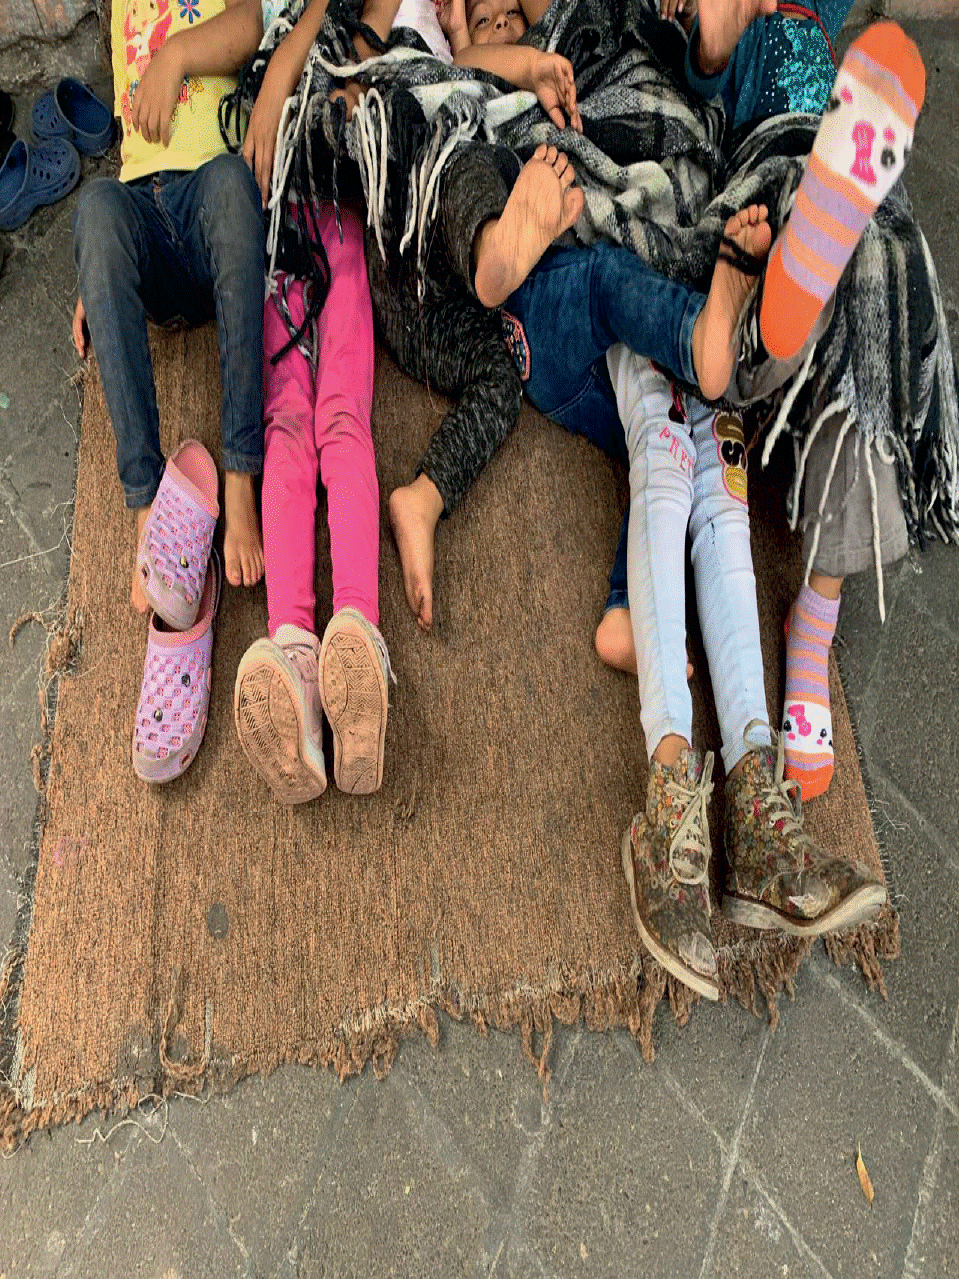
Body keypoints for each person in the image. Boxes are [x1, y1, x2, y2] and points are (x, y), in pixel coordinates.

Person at [231, 0, 401, 803]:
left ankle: (354, 639)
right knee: (289, 426)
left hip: (338, 213)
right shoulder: (263, 13)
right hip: (276, 228)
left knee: (336, 418)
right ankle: (298, 659)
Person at [72, 0, 267, 609]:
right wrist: (98, 267)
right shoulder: (120, 11)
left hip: (210, 211)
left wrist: (176, 54)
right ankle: (147, 510)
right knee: (95, 209)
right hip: (145, 227)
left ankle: (240, 476)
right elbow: (133, 152)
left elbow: (252, 25)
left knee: (233, 182)